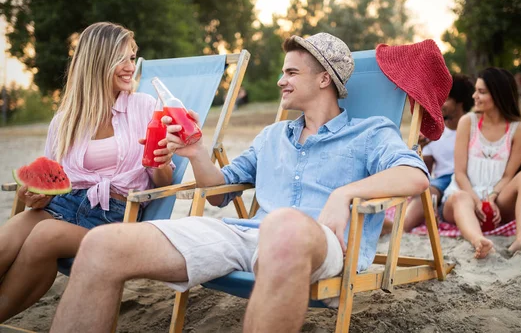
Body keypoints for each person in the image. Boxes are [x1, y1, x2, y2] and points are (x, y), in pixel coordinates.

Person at [50, 33, 430, 333]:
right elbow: (220, 192)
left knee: (284, 224)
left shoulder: (369, 132)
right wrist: (198, 152)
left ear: (325, 78)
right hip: (247, 236)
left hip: (320, 243)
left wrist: (344, 193)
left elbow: (415, 175)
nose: (280, 81)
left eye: (291, 73)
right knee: (102, 245)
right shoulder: (272, 136)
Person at [0, 22, 173, 322]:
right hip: (64, 205)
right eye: (122, 58)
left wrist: (159, 160)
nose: (130, 66)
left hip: (113, 216)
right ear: (98, 60)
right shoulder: (65, 119)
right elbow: (52, 176)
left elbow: (162, 180)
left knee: (44, 235)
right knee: (10, 236)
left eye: (132, 57)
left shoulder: (146, 106)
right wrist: (34, 196)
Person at [441, 67, 521, 259]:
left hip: (497, 200)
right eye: (475, 90)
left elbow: (508, 175)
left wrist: (492, 198)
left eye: (481, 92)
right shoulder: (467, 122)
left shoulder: (519, 129)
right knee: (460, 197)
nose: (474, 96)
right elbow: (460, 173)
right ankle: (479, 241)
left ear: (498, 94)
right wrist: (477, 201)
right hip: (465, 197)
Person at [381, 75, 474, 235]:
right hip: (442, 181)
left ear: (460, 101)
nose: (440, 105)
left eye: (446, 100)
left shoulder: (474, 128)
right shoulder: (434, 132)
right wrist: (420, 149)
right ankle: (399, 225)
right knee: (426, 191)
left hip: (467, 177)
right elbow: (426, 171)